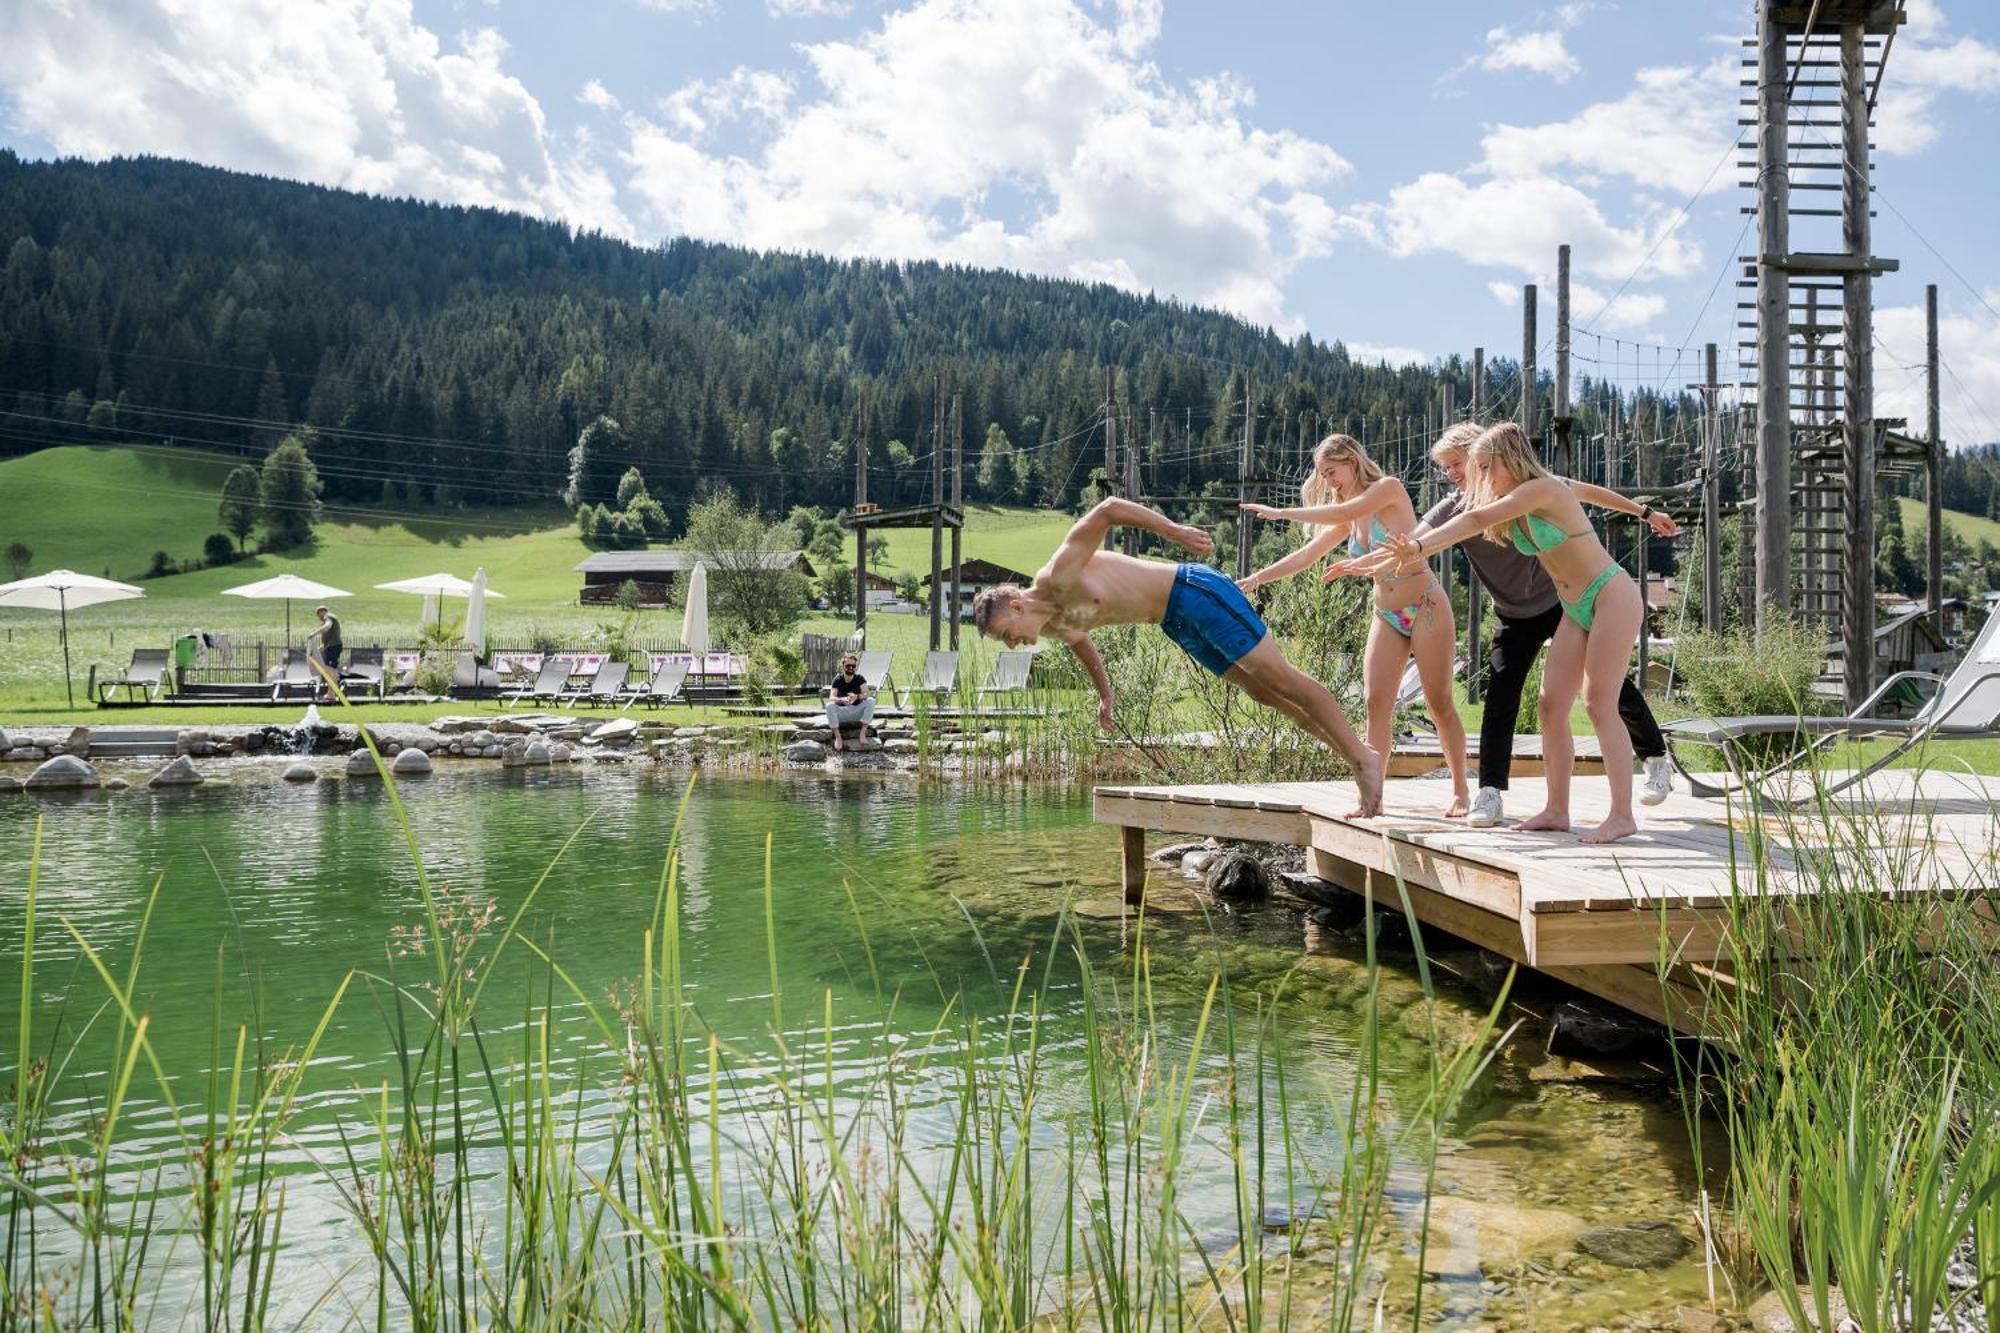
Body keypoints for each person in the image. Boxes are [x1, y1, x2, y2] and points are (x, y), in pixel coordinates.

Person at [970, 497, 1384, 816]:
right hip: (1174, 621)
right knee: (1265, 694)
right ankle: (1355, 757)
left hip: (1194, 591)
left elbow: (1107, 509)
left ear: (1018, 607)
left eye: (1008, 635)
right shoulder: (1055, 625)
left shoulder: (1057, 576)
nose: (1014, 644)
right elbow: (1082, 643)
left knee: (1279, 678)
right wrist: (1106, 695)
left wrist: (1175, 532)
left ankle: (1362, 758)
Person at [1343, 423, 1645, 843]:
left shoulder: (1541, 489)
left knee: (1598, 703)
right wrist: (1399, 551)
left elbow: (1479, 517)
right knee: (1551, 706)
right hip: (1575, 607)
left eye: (1485, 467)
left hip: (1609, 593)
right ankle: (1557, 809)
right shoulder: (1506, 497)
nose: (1479, 476)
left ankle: (1621, 814)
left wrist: (1417, 549)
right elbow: (1465, 516)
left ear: (1510, 459)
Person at [1238, 434, 1471, 816]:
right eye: (1323, 475)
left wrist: (1283, 513)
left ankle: (1461, 791)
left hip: (1425, 604)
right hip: (1386, 613)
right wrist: (1257, 578)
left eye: (1332, 472)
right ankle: (1372, 798)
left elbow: (1338, 514)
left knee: (1439, 701)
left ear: (1352, 461)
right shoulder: (1351, 511)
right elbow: (1309, 553)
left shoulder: (1387, 490)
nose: (1329, 482)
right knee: (1375, 702)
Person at [826, 651, 874, 751]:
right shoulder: (837, 680)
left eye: (853, 665)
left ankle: (862, 733)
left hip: (857, 711)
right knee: (829, 706)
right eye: (848, 665)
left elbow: (867, 693)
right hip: (842, 712)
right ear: (842, 666)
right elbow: (831, 697)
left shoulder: (859, 678)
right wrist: (841, 699)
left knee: (871, 701)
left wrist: (857, 697)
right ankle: (838, 737)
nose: (851, 668)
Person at [310, 604, 343, 671]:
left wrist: (314, 634)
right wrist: (316, 651)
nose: (319, 617)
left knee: (330, 666)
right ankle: (330, 678)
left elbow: (327, 626)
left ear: (322, 612)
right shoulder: (329, 619)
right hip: (332, 646)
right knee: (328, 664)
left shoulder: (328, 617)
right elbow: (326, 642)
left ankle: (332, 679)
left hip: (334, 646)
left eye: (318, 614)